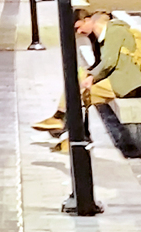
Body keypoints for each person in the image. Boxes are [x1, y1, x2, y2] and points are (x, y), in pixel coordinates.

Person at [35, 9, 141, 141]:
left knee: (84, 94)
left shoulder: (115, 31)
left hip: (128, 82)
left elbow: (109, 61)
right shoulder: (100, 36)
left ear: (88, 20)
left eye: (79, 27)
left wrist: (92, 77)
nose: (79, 32)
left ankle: (68, 128)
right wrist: (88, 75)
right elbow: (101, 62)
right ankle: (65, 125)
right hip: (119, 77)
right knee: (81, 77)